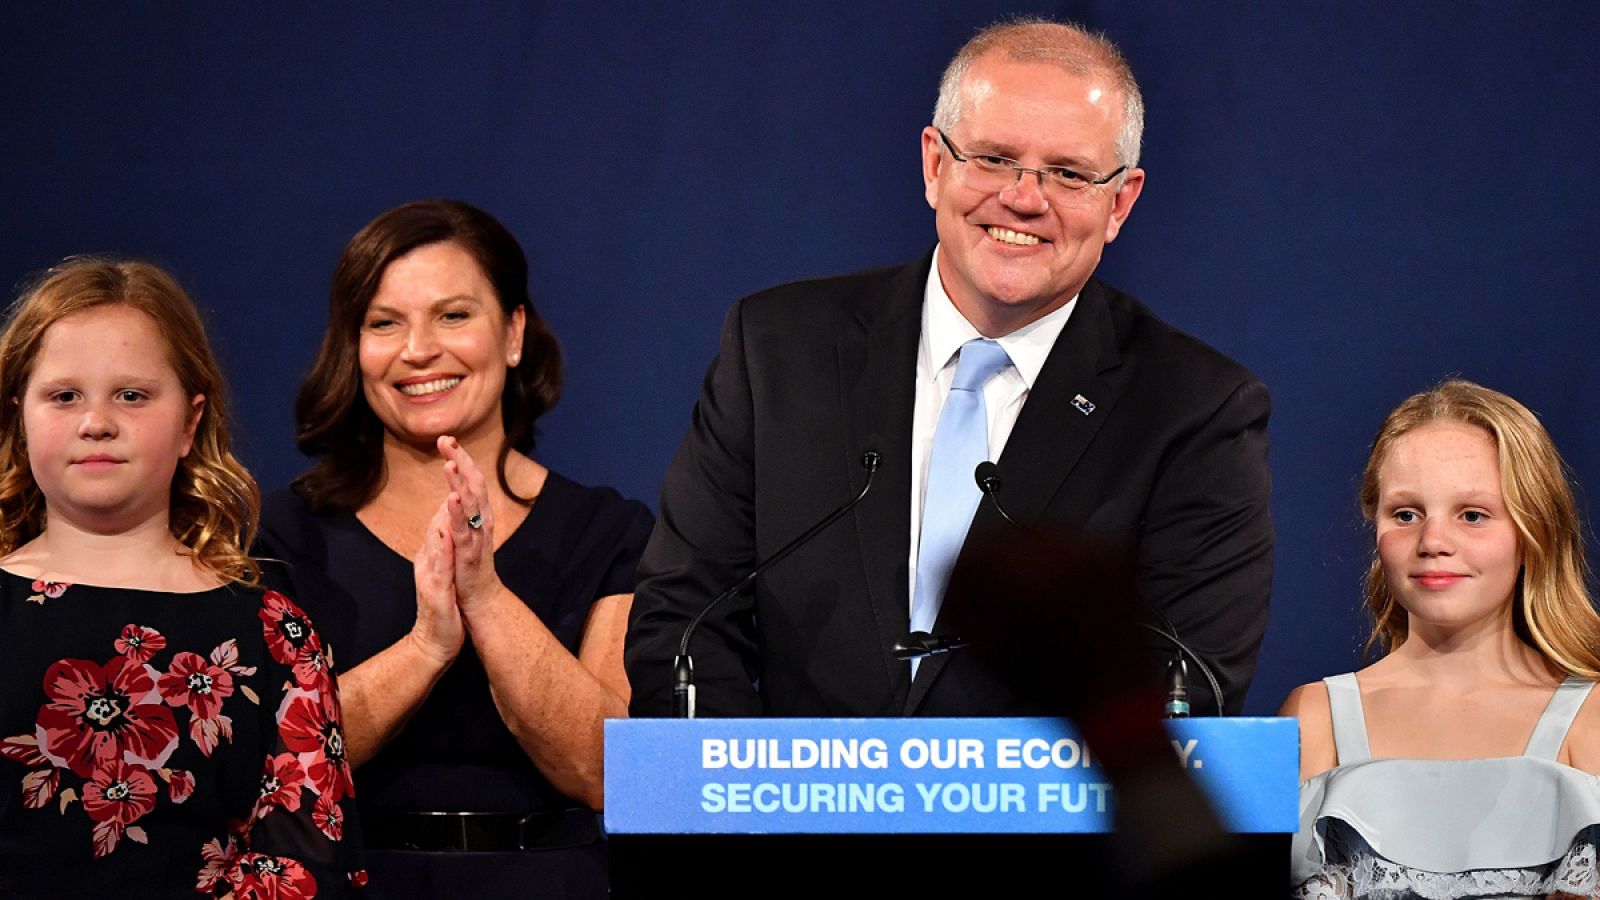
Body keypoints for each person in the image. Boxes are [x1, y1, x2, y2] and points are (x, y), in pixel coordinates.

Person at [625, 17, 1273, 719]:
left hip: (1048, 827)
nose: (1025, 197)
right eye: (993, 158)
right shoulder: (778, 349)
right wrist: (771, 807)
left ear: (1120, 201)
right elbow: (684, 624)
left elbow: (1187, 685)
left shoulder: (1194, 407)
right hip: (796, 822)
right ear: (936, 165)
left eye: (1068, 173)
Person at [257, 199, 653, 898]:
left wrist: (486, 598)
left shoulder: (608, 529)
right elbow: (268, 758)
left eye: (454, 315)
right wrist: (427, 646)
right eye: (384, 323)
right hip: (347, 881)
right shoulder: (285, 533)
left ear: (513, 333)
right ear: (353, 348)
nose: (418, 350)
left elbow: (605, 769)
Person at [0, 258, 363, 896]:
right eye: (64, 396)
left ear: (191, 421)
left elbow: (311, 866)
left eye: (132, 395)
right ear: (19, 417)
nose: (96, 422)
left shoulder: (272, 632)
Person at [1281, 380, 1600, 898]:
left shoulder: (1593, 719)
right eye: (1406, 514)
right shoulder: (1315, 717)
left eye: (1472, 515)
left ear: (1533, 530)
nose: (1433, 542)